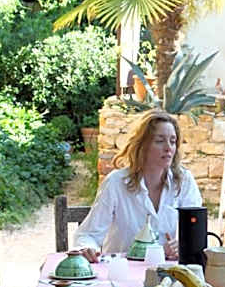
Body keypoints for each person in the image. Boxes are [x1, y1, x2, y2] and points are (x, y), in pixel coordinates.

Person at [74, 110, 202, 261]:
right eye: (160, 141)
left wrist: (182, 246)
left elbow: (195, 235)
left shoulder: (183, 181)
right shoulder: (116, 183)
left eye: (172, 141)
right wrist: (88, 249)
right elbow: (87, 235)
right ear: (142, 145)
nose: (168, 148)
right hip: (122, 274)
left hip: (168, 275)